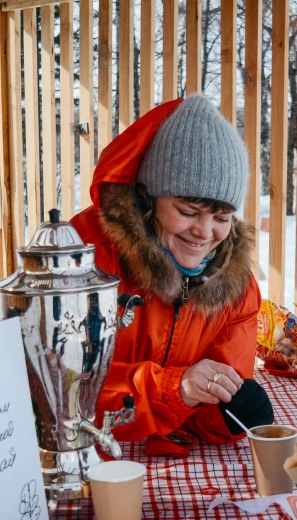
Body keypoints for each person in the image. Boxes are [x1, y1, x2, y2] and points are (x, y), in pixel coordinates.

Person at [69, 94, 274, 455]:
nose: (205, 232)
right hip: (81, 461)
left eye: (222, 218)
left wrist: (228, 412)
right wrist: (172, 388)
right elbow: (50, 383)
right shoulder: (83, 255)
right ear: (149, 199)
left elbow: (206, 406)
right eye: (188, 211)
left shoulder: (235, 287)